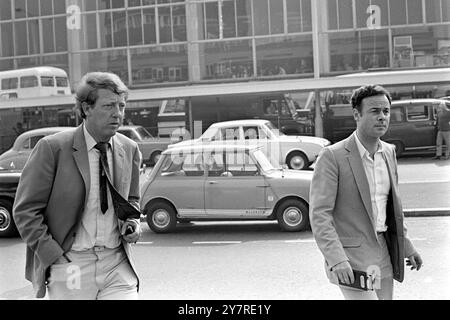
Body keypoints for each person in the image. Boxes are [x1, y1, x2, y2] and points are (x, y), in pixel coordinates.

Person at [13, 72, 142, 300]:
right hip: (72, 265)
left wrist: (132, 223)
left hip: (117, 265)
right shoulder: (53, 149)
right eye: (109, 106)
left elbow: (131, 201)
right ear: (86, 109)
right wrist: (53, 255)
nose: (118, 114)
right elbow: (25, 211)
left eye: (121, 106)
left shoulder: (129, 149)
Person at [309, 85, 423, 300]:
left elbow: (392, 207)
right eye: (374, 111)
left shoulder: (389, 152)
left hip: (385, 250)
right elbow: (319, 214)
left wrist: (407, 246)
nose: (382, 117)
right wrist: (336, 259)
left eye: (386, 111)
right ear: (356, 114)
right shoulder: (333, 156)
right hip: (351, 256)